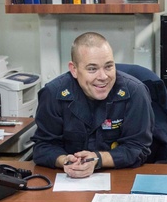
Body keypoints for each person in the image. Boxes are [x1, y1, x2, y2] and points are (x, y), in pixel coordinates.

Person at [32, 31, 153, 177]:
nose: (103, 77)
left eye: (108, 66)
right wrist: (66, 161)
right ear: (74, 70)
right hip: (70, 181)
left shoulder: (135, 92)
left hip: (120, 177)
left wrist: (97, 159)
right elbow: (43, 146)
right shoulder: (53, 94)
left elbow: (138, 148)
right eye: (92, 69)